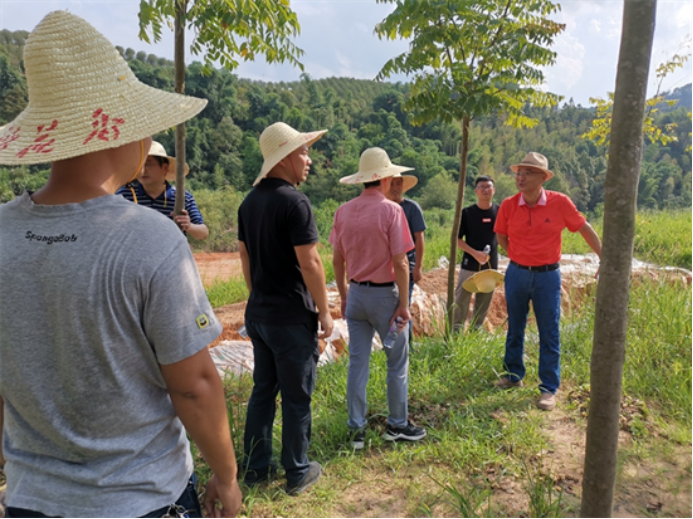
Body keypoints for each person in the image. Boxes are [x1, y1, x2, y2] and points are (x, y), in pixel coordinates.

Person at [0, 11, 242, 518]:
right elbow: (194, 384)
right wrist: (226, 475)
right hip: (140, 499)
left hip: (30, 501)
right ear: (125, 136)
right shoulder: (148, 238)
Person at [237, 122, 334, 496]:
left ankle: (255, 469)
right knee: (296, 396)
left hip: (260, 315)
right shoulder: (295, 202)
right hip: (292, 318)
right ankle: (297, 472)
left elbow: (244, 256)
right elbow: (310, 263)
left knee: (263, 391)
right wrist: (324, 312)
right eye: (303, 153)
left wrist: (257, 296)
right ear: (285, 158)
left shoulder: (249, 203)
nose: (308, 160)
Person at [331, 147, 427, 451]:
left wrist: (345, 297)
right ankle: (397, 425)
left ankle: (356, 429)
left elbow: (337, 260)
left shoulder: (343, 211)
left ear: (363, 180)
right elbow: (401, 262)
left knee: (357, 363)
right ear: (385, 179)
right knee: (396, 362)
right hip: (386, 296)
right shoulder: (392, 211)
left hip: (356, 294)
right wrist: (403, 304)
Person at [494, 152, 602, 411]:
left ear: (543, 178)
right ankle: (513, 375)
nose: (520, 177)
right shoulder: (509, 204)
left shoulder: (559, 203)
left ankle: (548, 388)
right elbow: (501, 235)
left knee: (549, 331)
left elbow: (584, 227)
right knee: (515, 327)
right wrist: (518, 257)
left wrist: (603, 257)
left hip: (547, 276)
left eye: (527, 173)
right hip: (517, 273)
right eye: (519, 172)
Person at [117, 141, 209, 241]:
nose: (143, 170)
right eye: (140, 165)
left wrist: (189, 226)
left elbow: (203, 233)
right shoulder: (124, 195)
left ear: (165, 168)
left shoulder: (183, 198)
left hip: (172, 256)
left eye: (148, 164)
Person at [452, 176, 500, 331]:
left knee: (484, 300)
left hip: (491, 265)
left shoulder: (500, 211)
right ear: (476, 191)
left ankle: (475, 332)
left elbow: (508, 235)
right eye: (482, 187)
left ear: (494, 190)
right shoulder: (467, 213)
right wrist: (474, 253)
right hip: (470, 263)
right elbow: (457, 239)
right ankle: (456, 332)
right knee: (462, 299)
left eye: (489, 187)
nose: (486, 190)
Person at [385, 172, 426, 341]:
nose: (396, 188)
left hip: (405, 267)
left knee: (403, 307)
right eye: (392, 183)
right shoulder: (382, 207)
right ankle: (390, 347)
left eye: (399, 183)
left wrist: (418, 267)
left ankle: (403, 348)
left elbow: (419, 238)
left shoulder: (411, 208)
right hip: (384, 268)